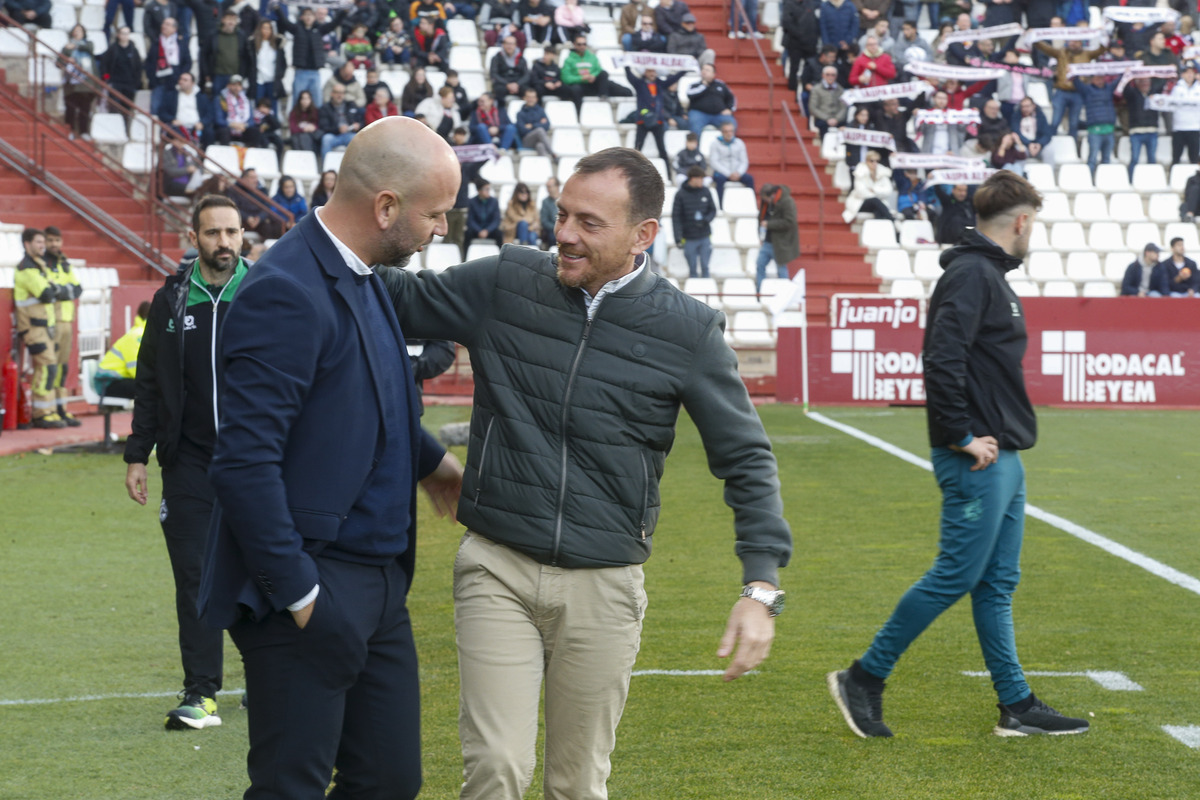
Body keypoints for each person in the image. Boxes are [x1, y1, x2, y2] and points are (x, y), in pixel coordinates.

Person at [378, 143, 791, 800]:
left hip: (606, 586)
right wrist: (341, 226)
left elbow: (745, 457)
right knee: (496, 770)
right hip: (497, 568)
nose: (564, 234)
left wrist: (760, 589)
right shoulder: (506, 281)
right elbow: (386, 298)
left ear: (643, 235)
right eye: (562, 213)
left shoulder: (688, 330)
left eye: (588, 223)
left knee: (577, 785)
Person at [197, 117, 463, 800]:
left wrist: (435, 467)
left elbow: (378, 401)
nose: (442, 230)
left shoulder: (366, 274)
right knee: (292, 786)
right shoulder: (285, 288)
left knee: (388, 781)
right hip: (310, 584)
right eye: (435, 214)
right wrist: (302, 595)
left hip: (380, 584)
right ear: (386, 207)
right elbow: (243, 463)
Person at [828, 170, 1091, 740]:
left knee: (996, 585)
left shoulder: (986, 274)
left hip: (1005, 456)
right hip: (976, 457)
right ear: (1021, 222)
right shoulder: (974, 274)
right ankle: (863, 678)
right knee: (955, 576)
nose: (1033, 234)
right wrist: (959, 435)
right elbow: (941, 357)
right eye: (1034, 225)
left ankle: (1016, 704)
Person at [123, 195, 249, 731]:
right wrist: (138, 454)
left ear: (244, 236)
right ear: (193, 237)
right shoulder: (173, 298)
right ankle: (202, 694)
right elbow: (149, 382)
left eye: (233, 231)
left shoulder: (268, 293)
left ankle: (269, 683)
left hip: (258, 462)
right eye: (213, 232)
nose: (224, 241)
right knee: (194, 577)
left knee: (263, 571)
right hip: (190, 464)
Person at [14, 229, 65, 428]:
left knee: (50, 369)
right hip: (33, 328)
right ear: (27, 244)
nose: (42, 245)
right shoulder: (26, 268)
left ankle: (48, 410)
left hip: (45, 327)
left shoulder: (39, 266)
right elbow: (46, 292)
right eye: (38, 242)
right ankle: (40, 413)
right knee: (46, 368)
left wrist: (55, 290)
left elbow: (56, 290)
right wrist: (55, 290)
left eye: (43, 242)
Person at [43, 227, 83, 427]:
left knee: (62, 367)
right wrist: (64, 290)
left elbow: (77, 289)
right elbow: (49, 291)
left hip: (67, 321)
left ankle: (61, 409)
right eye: (50, 240)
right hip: (52, 321)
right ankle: (46, 411)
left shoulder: (65, 264)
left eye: (57, 240)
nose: (54, 245)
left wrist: (62, 290)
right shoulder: (43, 263)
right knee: (49, 368)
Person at [276, 2, 349, 109]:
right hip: (301, 71)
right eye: (306, 15)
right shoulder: (296, 29)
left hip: (315, 71)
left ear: (314, 17)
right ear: (302, 17)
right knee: (298, 100)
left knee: (317, 100)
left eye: (311, 15)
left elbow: (334, 23)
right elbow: (284, 22)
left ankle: (317, 123)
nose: (308, 17)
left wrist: (344, 12)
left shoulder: (320, 29)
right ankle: (296, 123)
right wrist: (277, 8)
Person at [1036, 35, 1106, 139]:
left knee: (1074, 123)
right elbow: (1046, 48)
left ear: (1081, 42)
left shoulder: (1087, 54)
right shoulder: (1061, 52)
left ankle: (1072, 144)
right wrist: (1035, 37)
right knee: (1055, 121)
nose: (1073, 43)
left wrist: (1102, 34)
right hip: (1062, 91)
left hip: (1078, 92)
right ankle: (1050, 143)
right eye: (1071, 41)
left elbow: (1101, 50)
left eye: (1076, 41)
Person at [625, 65, 684, 165]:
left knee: (662, 149)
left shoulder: (660, 84)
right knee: (637, 149)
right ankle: (632, 170)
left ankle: (667, 174)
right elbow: (630, 76)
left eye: (654, 71)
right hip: (642, 121)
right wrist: (626, 66)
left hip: (658, 121)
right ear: (645, 73)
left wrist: (684, 70)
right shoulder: (640, 84)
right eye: (649, 71)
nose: (652, 73)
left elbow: (674, 78)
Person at [94, 301, 149, 399]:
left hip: (114, 380)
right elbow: (135, 369)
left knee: (150, 388)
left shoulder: (142, 333)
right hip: (108, 382)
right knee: (147, 389)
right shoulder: (137, 336)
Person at [672, 165, 716, 277]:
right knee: (692, 270)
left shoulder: (706, 191)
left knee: (706, 267)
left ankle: (707, 292)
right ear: (693, 179)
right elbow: (676, 217)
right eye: (701, 178)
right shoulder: (680, 194)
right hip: (689, 238)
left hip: (705, 236)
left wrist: (706, 220)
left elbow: (713, 210)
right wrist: (677, 238)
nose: (702, 181)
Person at [562, 35, 630, 105]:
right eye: (579, 44)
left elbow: (598, 70)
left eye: (584, 44)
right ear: (574, 45)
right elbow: (566, 78)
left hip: (594, 84)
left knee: (627, 91)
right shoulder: (569, 60)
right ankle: (579, 113)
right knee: (575, 89)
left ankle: (603, 97)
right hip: (580, 86)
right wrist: (582, 78)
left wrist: (592, 76)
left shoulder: (592, 57)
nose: (582, 46)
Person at [755, 183, 798, 292]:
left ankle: (785, 294)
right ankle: (761, 292)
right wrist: (760, 235)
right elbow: (760, 219)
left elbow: (790, 222)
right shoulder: (766, 203)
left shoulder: (787, 202)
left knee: (781, 269)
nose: (766, 201)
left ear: (772, 195)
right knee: (760, 265)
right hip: (767, 241)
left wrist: (769, 224)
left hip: (780, 242)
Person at [61, 25, 99, 141]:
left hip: (85, 83)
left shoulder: (88, 44)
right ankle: (69, 131)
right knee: (70, 108)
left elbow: (89, 48)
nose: (77, 33)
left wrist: (75, 45)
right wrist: (68, 54)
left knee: (85, 108)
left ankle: (84, 131)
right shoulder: (66, 47)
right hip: (71, 84)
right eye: (75, 31)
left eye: (80, 31)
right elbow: (59, 62)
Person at [1073, 74, 1116, 175]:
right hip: (1094, 130)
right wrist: (1073, 73)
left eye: (1101, 78)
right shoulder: (1087, 90)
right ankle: (1088, 180)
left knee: (1106, 159)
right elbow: (1077, 83)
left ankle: (1105, 180)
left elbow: (1118, 82)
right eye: (1097, 78)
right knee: (1092, 158)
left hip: (1109, 130)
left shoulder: (1108, 89)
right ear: (1092, 80)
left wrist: (1125, 72)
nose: (1099, 81)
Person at [709, 121, 755, 205]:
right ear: (722, 132)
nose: (729, 133)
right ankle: (720, 205)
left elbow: (744, 161)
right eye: (726, 131)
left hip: (737, 173)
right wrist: (728, 174)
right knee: (720, 179)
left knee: (749, 179)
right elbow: (714, 162)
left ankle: (750, 204)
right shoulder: (715, 144)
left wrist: (738, 173)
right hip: (722, 173)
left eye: (731, 131)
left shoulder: (740, 143)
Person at [686, 63, 737, 136]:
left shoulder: (720, 84)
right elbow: (689, 94)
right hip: (699, 113)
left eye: (707, 70)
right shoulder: (695, 84)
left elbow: (731, 97)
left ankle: (728, 146)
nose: (704, 71)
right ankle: (695, 147)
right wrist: (703, 86)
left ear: (713, 74)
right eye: (703, 69)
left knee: (730, 123)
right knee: (695, 124)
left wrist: (730, 109)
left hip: (718, 114)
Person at [1124, 77, 1160, 179]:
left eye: (1146, 81)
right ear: (1137, 83)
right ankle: (1131, 180)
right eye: (1141, 81)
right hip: (1136, 132)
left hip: (1152, 131)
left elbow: (1163, 82)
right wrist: (1129, 75)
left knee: (1152, 159)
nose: (1144, 84)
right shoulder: (1132, 95)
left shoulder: (1155, 94)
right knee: (1134, 158)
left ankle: (1152, 180)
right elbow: (1125, 88)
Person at [843, 152, 895, 222]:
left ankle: (880, 230)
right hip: (860, 202)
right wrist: (877, 195)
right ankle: (893, 221)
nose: (874, 163)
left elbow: (888, 191)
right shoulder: (860, 171)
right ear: (867, 161)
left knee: (878, 210)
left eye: (877, 161)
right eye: (872, 160)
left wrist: (874, 190)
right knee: (875, 201)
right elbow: (860, 192)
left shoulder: (882, 172)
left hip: (877, 203)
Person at [99, 27, 143, 108]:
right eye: (123, 33)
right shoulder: (112, 49)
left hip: (130, 84)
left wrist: (136, 82)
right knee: (114, 106)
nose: (124, 36)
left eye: (127, 34)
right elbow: (104, 64)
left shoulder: (133, 50)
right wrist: (107, 78)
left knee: (127, 107)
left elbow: (138, 67)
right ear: (118, 35)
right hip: (115, 83)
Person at [319, 82, 364, 161]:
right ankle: (327, 168)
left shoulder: (351, 105)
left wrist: (358, 125)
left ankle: (353, 168)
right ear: (332, 93)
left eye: (342, 93)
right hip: (333, 135)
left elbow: (362, 121)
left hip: (349, 134)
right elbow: (323, 127)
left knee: (356, 138)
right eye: (337, 92)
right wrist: (338, 129)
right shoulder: (325, 107)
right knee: (326, 139)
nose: (339, 95)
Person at [253, 19, 287, 116]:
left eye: (269, 29)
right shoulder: (253, 44)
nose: (266, 31)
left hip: (272, 80)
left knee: (273, 107)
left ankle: (273, 127)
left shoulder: (277, 44)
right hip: (259, 80)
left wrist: (279, 75)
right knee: (258, 106)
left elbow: (283, 63)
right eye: (264, 28)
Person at [215, 75, 261, 147]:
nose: (236, 88)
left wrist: (244, 125)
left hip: (243, 128)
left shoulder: (246, 100)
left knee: (255, 131)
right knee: (224, 131)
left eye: (239, 85)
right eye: (234, 85)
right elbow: (218, 119)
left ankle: (251, 156)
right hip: (228, 128)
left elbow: (251, 121)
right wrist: (232, 124)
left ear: (242, 87)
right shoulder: (221, 99)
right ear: (228, 86)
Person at [515, 87, 556, 157]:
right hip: (526, 141)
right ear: (524, 98)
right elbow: (523, 130)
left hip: (539, 140)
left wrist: (532, 125)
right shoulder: (520, 113)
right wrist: (539, 124)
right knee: (539, 130)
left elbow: (547, 125)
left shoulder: (541, 111)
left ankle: (544, 165)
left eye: (533, 97)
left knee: (540, 145)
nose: (531, 99)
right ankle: (552, 153)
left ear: (536, 99)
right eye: (529, 97)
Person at [1172, 63, 1200, 166]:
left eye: (1192, 72)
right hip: (1179, 127)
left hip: (1194, 127)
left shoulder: (1198, 89)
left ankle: (1195, 181)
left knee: (1194, 158)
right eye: (1187, 72)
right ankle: (1172, 179)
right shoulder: (1176, 89)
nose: (1189, 75)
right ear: (1182, 74)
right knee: (1176, 157)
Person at [808, 65, 847, 139]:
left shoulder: (840, 89)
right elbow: (813, 108)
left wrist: (836, 119)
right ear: (823, 75)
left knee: (845, 128)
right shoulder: (816, 89)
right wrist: (827, 118)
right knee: (823, 127)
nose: (830, 77)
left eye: (833, 75)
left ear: (836, 76)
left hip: (837, 119)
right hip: (823, 118)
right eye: (828, 74)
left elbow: (843, 107)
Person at [490, 35, 531, 103]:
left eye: (512, 44)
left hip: (518, 84)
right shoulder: (496, 58)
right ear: (503, 44)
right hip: (503, 84)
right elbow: (494, 74)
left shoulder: (521, 59)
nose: (509, 46)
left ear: (515, 45)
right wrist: (507, 84)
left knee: (529, 92)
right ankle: (501, 111)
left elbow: (526, 75)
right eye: (507, 43)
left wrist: (517, 84)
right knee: (498, 90)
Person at [465, 179, 503, 247]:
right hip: (477, 230)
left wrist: (487, 230)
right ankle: (464, 256)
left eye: (489, 189)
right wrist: (479, 230)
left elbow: (496, 220)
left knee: (499, 233)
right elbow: (470, 220)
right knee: (467, 233)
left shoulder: (494, 201)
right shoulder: (472, 202)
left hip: (489, 230)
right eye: (486, 189)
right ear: (479, 190)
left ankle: (501, 255)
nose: (488, 191)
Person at [289, 89, 321, 154]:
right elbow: (293, 128)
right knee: (297, 138)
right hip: (297, 136)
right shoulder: (294, 112)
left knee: (304, 137)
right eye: (303, 98)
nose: (305, 101)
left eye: (307, 98)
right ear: (300, 100)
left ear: (311, 100)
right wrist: (304, 129)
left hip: (311, 137)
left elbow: (318, 125)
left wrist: (313, 127)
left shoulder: (315, 112)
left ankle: (307, 157)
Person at [539, 175, 559, 248]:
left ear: (557, 186)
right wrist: (557, 227)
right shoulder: (545, 202)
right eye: (547, 186)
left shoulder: (565, 200)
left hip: (564, 228)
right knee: (552, 235)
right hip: (552, 230)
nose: (548, 189)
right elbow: (544, 221)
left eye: (550, 186)